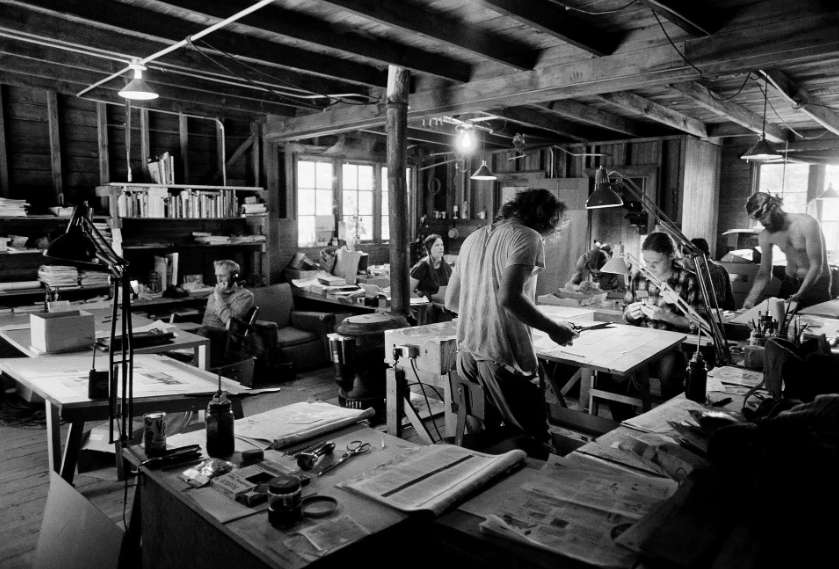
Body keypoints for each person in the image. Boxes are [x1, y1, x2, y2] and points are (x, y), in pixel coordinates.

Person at [445, 188, 578, 452]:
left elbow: (451, 301)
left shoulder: (472, 237)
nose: (550, 237)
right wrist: (555, 329)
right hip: (503, 358)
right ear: (546, 220)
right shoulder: (528, 236)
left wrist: (484, 313)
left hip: (468, 357)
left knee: (485, 446)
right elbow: (510, 298)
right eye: (553, 230)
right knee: (535, 443)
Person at [623, 232, 707, 401]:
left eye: (656, 262)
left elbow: (700, 326)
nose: (650, 267)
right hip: (642, 340)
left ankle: (669, 412)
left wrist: (666, 316)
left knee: (668, 377)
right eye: (646, 261)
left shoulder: (689, 281)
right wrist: (630, 314)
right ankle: (624, 419)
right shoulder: (640, 277)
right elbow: (625, 313)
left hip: (672, 345)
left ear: (671, 256)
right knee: (615, 374)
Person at [742, 192, 832, 309]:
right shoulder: (766, 235)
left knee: (814, 324)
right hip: (789, 283)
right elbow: (764, 273)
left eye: (763, 218)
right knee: (780, 324)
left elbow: (816, 266)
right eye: (759, 220)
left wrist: (800, 294)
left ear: (774, 208)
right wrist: (750, 300)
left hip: (816, 285)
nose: (763, 223)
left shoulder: (807, 223)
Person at [197, 259, 254, 360]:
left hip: (227, 337)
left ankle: (194, 364)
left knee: (205, 330)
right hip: (205, 334)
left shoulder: (245, 295)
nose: (218, 280)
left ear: (234, 276)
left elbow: (227, 320)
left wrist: (218, 295)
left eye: (222, 276)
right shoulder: (213, 292)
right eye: (216, 275)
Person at [688, 237, 735, 310]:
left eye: (695, 255)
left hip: (719, 317)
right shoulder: (698, 270)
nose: (690, 258)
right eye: (688, 255)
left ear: (705, 255)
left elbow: (716, 302)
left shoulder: (714, 271)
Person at [409, 234, 451, 303]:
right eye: (437, 245)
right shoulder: (421, 267)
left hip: (443, 306)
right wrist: (425, 303)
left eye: (442, 245)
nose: (441, 248)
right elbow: (409, 292)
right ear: (429, 249)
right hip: (428, 308)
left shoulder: (446, 267)